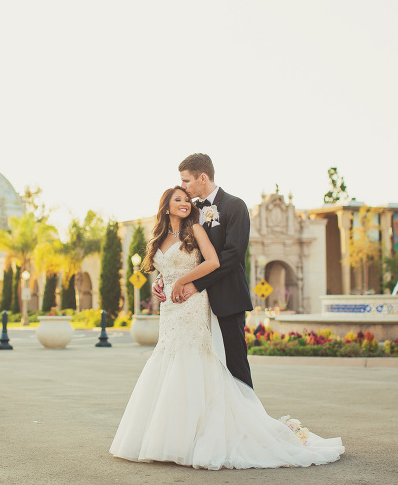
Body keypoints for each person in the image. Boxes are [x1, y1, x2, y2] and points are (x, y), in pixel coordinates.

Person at [109, 185, 344, 469]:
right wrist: (162, 281)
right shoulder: (158, 236)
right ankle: (169, 439)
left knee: (193, 359)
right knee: (168, 360)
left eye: (186, 199)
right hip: (169, 308)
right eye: (178, 199)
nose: (185, 203)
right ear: (166, 205)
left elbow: (214, 261)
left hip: (193, 301)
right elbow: (164, 267)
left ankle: (201, 437)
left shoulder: (195, 229)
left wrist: (183, 281)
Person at [154, 153, 253, 387]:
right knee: (205, 367)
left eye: (186, 181)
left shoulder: (235, 205)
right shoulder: (192, 211)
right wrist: (164, 275)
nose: (183, 187)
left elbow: (232, 255)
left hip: (227, 299)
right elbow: (186, 251)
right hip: (196, 306)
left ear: (202, 177)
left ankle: (247, 418)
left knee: (234, 364)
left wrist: (195, 284)